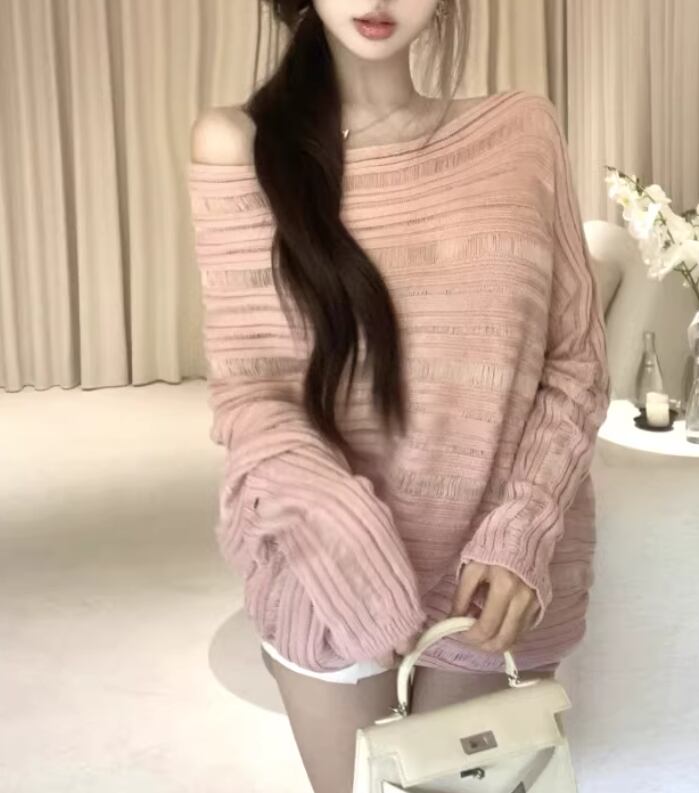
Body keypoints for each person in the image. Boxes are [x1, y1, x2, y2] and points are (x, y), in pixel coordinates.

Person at [187, 1, 610, 791]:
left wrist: (521, 527)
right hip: (327, 564)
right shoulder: (241, 145)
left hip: (491, 580)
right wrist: (352, 552)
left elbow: (574, 361)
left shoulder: (520, 131)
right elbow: (253, 393)